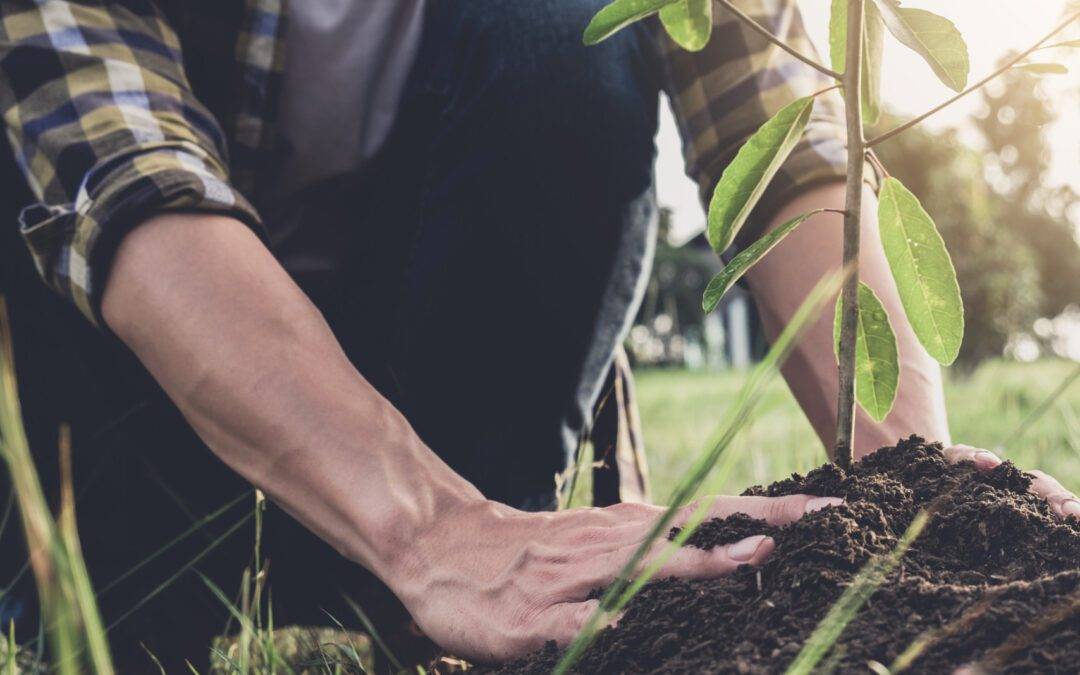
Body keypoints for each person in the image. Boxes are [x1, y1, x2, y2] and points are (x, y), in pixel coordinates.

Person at [0, 0, 1075, 669]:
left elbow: (778, 125)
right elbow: (123, 187)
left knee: (562, 24)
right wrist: (430, 529)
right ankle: (120, 593)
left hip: (451, 404)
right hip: (130, 420)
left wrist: (911, 481)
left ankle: (472, 599)